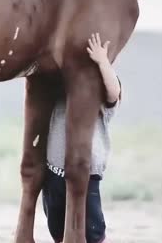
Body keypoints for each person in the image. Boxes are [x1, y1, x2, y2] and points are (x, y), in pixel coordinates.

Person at [42, 33, 121, 243]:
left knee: (92, 229)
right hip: (55, 170)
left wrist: (102, 61)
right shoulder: (62, 90)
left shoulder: (100, 93)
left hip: (87, 173)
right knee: (58, 227)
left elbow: (114, 92)